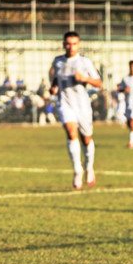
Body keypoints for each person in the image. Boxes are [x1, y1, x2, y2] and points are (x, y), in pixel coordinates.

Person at [49, 31, 103, 190]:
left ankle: (89, 167)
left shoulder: (85, 62)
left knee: (86, 139)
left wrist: (85, 79)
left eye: (74, 44)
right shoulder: (58, 61)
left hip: (83, 105)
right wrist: (53, 88)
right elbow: (55, 79)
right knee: (71, 132)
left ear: (79, 45)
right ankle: (77, 170)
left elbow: (99, 83)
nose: (71, 47)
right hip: (65, 103)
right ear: (63, 44)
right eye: (68, 44)